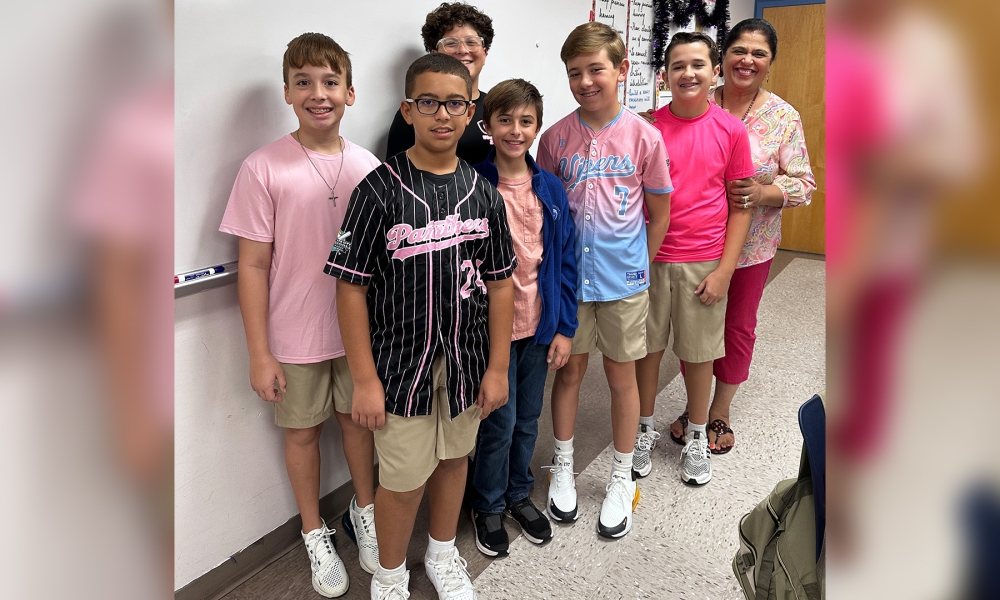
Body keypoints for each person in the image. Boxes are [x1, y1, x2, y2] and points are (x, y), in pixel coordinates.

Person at [328, 53, 516, 600]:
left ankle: (440, 551)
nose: (442, 114)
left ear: (471, 112)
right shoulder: (377, 190)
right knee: (404, 480)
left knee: (455, 459)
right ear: (408, 110)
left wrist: (498, 366)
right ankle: (388, 576)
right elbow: (349, 287)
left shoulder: (484, 193)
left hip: (466, 359)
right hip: (397, 368)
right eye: (428, 102)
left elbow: (501, 281)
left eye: (454, 103)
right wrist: (363, 379)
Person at [219, 33, 381, 598]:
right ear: (288, 91)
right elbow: (253, 266)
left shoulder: (369, 166)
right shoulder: (263, 167)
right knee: (303, 433)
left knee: (361, 425)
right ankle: (315, 532)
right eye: (305, 82)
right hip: (292, 335)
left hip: (360, 333)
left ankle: (365, 510)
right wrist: (260, 353)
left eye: (330, 82)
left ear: (351, 93)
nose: (319, 93)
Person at [536, 22, 672, 539]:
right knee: (568, 374)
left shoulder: (645, 137)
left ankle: (620, 476)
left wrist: (641, 267)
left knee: (623, 378)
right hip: (571, 284)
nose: (586, 81)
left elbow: (657, 213)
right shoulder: (554, 140)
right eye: (575, 73)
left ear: (622, 70)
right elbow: (545, 209)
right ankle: (564, 467)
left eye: (597, 70)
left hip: (623, 283)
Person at [633, 32, 754, 486]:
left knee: (700, 354)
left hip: (704, 260)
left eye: (698, 65)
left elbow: (740, 205)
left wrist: (724, 270)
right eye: (678, 65)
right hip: (649, 256)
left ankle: (698, 435)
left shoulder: (730, 130)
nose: (688, 73)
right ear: (664, 75)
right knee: (646, 349)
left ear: (714, 72)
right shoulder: (647, 129)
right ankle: (643, 429)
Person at [469, 79, 577, 557]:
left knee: (528, 418)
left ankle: (518, 493)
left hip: (539, 326)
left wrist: (565, 327)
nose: (516, 130)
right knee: (499, 422)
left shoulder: (549, 186)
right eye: (505, 120)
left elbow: (566, 259)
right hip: (491, 331)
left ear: (537, 125)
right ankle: (487, 503)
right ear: (487, 125)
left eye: (526, 121)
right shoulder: (472, 184)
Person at [384, 2, 495, 164]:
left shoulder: (497, 108)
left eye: (472, 42)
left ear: (484, 54)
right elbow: (395, 175)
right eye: (451, 43)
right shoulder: (416, 110)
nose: (463, 50)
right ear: (434, 54)